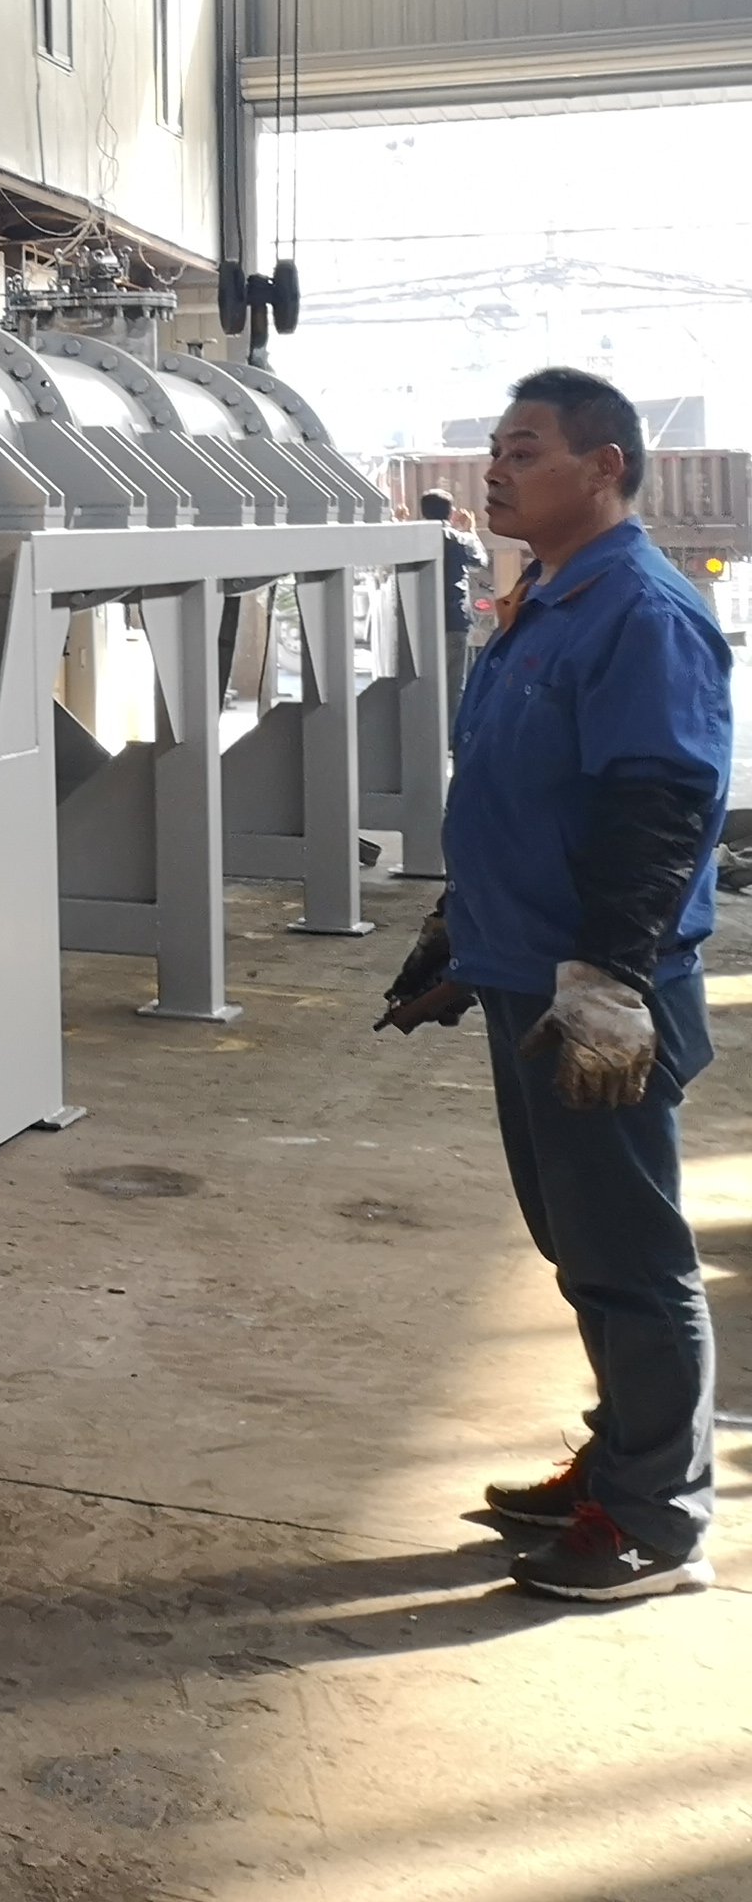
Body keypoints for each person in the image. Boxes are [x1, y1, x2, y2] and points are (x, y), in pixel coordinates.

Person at [379, 367, 728, 1602]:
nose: (493, 470)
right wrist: (459, 932)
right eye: (492, 449)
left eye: (522, 450)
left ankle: (654, 1521)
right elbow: (518, 793)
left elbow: (659, 802)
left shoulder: (638, 610)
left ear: (603, 466)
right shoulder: (544, 598)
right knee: (579, 1244)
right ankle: (620, 1458)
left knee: (629, 1256)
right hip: (527, 976)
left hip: (597, 993)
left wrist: (608, 979)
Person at [419, 488, 486, 708]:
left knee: (420, 682)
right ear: (451, 513)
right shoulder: (459, 539)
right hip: (454, 617)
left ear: (423, 512)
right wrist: (471, 531)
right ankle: (449, 727)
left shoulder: (413, 538)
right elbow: (479, 561)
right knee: (454, 682)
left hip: (419, 620)